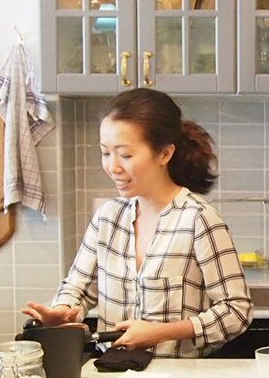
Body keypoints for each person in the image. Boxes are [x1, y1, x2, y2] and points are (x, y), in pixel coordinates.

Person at [22, 89, 252, 357]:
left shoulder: (199, 219)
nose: (113, 167)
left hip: (178, 376)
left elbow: (237, 311)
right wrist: (62, 311)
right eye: (106, 153)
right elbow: (78, 289)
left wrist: (161, 332)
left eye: (126, 155)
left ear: (164, 154)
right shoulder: (108, 217)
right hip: (111, 371)